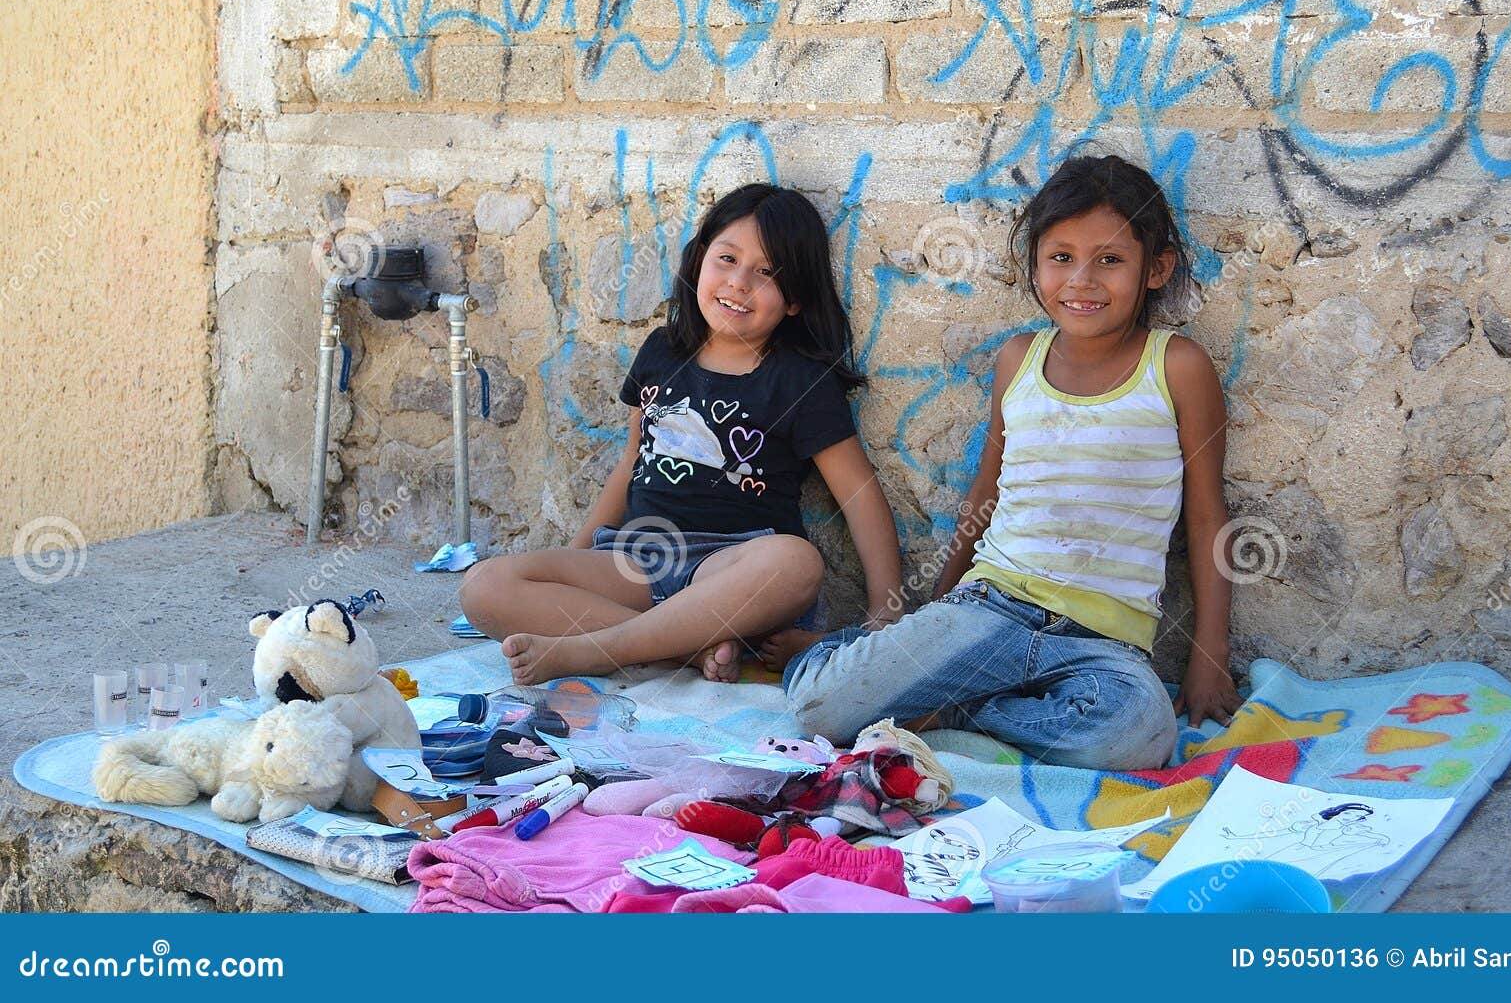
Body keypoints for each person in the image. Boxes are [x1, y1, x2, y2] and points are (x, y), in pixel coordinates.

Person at [765, 154, 1243, 769]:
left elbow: (1206, 516)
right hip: (991, 609)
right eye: (1061, 257)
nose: (1083, 280)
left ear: (1158, 268)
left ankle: (957, 709)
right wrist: (935, 611)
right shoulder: (1020, 359)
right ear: (1035, 264)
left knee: (1137, 738)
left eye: (1112, 259)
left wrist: (1209, 657)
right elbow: (985, 496)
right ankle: (845, 653)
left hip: (1107, 643)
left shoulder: (1177, 366)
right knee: (817, 707)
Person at [461, 183, 902, 685]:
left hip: (728, 574)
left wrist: (883, 614)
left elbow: (861, 497)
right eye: (727, 259)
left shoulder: (801, 380)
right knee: (485, 585)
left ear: (796, 299)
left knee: (796, 562)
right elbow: (631, 464)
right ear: (697, 263)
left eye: (766, 273)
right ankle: (687, 653)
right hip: (635, 562)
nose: (739, 283)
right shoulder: (662, 352)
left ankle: (596, 650)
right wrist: (578, 555)